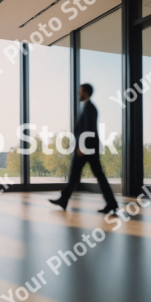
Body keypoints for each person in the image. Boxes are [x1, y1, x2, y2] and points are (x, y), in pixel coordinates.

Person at [49, 84, 118, 213]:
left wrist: (82, 146)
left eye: (80, 91)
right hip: (87, 147)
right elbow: (82, 129)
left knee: (82, 175)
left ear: (86, 92)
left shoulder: (90, 108)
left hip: (87, 148)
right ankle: (111, 203)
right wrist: (74, 143)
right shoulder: (87, 107)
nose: (78, 93)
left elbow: (89, 129)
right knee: (85, 175)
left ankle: (65, 200)